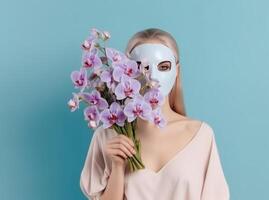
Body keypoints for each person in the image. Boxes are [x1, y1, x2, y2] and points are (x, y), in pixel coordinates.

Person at [79, 28, 230, 200]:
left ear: (177, 71)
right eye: (142, 67)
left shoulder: (201, 136)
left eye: (164, 66)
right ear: (125, 72)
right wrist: (118, 167)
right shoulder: (106, 136)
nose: (152, 76)